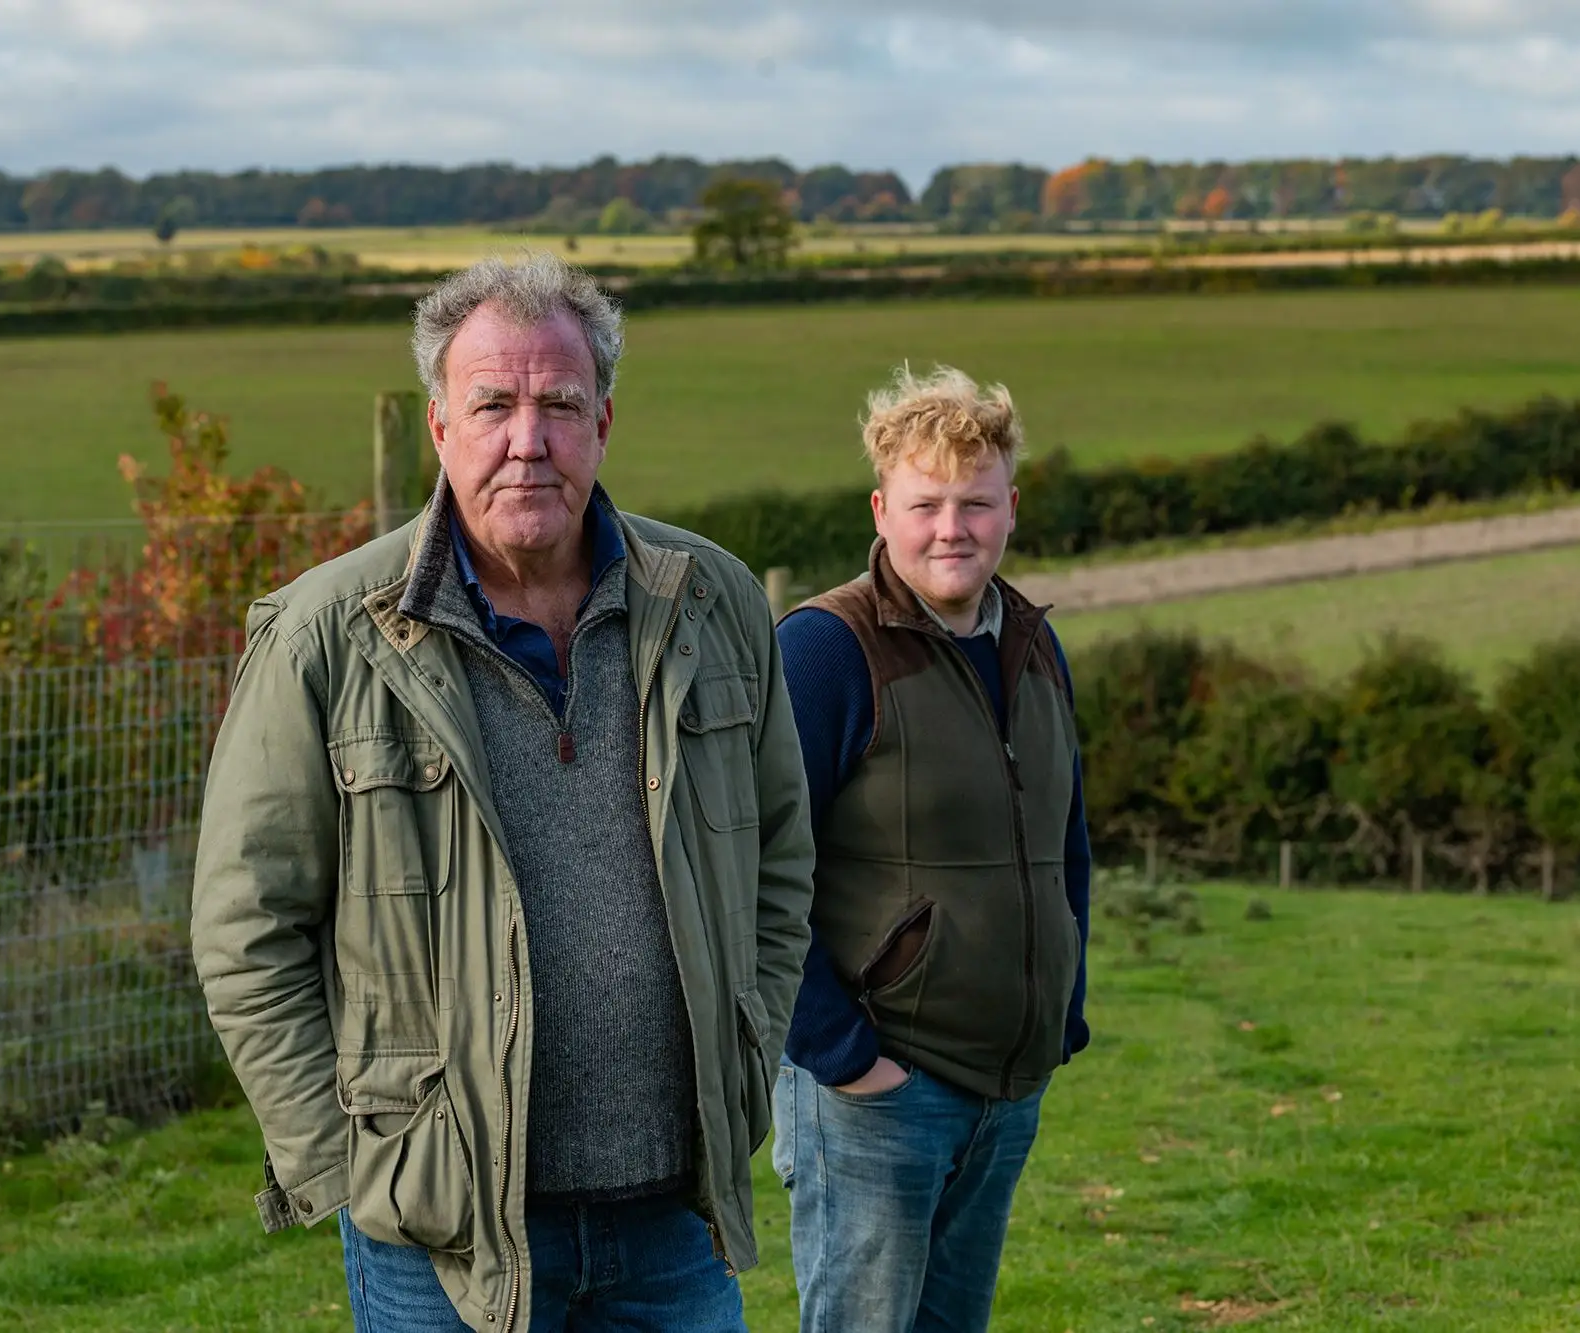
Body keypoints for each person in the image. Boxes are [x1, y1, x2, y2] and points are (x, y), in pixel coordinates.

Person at [190, 252, 814, 1333]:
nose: (528, 440)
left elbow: (783, 859)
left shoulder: (710, 604)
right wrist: (346, 1166)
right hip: (440, 1233)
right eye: (493, 404)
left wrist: (747, 1053)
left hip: (673, 1215)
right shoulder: (328, 636)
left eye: (559, 406)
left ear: (604, 423)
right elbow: (246, 926)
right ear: (440, 427)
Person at [771, 366, 1092, 1333]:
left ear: (1011, 508)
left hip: (1007, 1090)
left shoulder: (1033, 645)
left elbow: (1065, 841)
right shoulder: (825, 650)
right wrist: (841, 1056)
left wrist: (1060, 1015)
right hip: (876, 1093)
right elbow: (750, 873)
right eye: (926, 504)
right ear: (881, 507)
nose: (952, 527)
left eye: (976, 503)